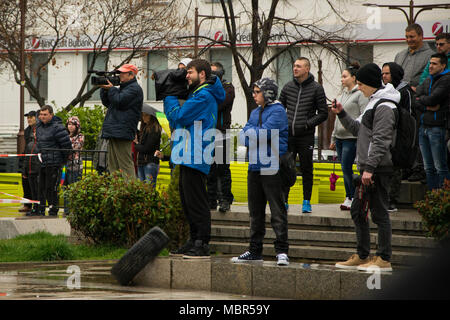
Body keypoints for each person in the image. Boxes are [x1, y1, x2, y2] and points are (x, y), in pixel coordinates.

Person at [332, 63, 400, 272]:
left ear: (370, 83)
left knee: (379, 213)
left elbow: (381, 140)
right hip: (368, 167)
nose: (358, 87)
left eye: (361, 84)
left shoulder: (385, 106)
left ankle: (383, 258)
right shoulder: (373, 102)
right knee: (358, 211)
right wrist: (342, 113)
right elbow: (358, 129)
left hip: (379, 168)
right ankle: (363, 255)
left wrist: (369, 168)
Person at [164, 59, 225, 259]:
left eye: (190, 72)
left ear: (202, 75)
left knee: (196, 200)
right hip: (187, 152)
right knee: (187, 200)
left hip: (196, 153)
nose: (186, 76)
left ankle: (202, 242)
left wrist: (171, 96)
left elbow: (179, 117)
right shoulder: (198, 94)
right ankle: (194, 239)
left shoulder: (204, 96)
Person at [232, 78, 289, 266]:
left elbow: (264, 135)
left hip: (272, 166)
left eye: (257, 92)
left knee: (276, 211)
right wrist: (254, 134)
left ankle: (281, 251)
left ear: (268, 93)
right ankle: (255, 250)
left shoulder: (279, 111)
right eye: (254, 91)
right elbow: (244, 137)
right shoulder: (255, 111)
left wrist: (253, 133)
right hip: (255, 166)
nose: (254, 95)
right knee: (255, 212)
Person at [279, 57, 328, 213]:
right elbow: (280, 109)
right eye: (294, 66)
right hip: (289, 136)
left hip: (305, 136)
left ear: (307, 69)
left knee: (307, 168)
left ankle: (306, 201)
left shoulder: (316, 88)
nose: (295, 69)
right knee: (286, 168)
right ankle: (284, 201)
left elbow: (323, 113)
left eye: (299, 66)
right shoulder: (287, 87)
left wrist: (307, 124)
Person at [330, 63, 368, 211]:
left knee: (348, 168)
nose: (342, 79)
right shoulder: (343, 94)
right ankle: (349, 196)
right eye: (341, 76)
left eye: (345, 76)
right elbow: (337, 117)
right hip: (339, 136)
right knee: (344, 168)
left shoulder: (360, 94)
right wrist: (333, 137)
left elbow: (363, 115)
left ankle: (354, 196)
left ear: (354, 77)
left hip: (351, 138)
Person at [381, 62, 415, 212]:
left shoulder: (404, 91)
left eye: (387, 73)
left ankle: (391, 199)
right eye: (382, 73)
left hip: (400, 136)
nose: (384, 76)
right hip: (385, 133)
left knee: (395, 169)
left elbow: (409, 116)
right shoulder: (383, 91)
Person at [99, 63, 143, 179]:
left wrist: (112, 89)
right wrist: (104, 90)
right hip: (115, 130)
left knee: (125, 164)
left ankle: (130, 191)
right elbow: (109, 103)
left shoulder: (135, 89)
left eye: (122, 73)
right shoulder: (122, 89)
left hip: (122, 131)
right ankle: (117, 191)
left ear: (131, 75)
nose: (119, 75)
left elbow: (119, 101)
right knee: (113, 165)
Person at [415, 53, 450, 190]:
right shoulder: (428, 80)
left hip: (437, 128)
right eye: (430, 63)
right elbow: (415, 99)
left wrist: (424, 101)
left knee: (440, 166)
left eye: (434, 63)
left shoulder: (446, 80)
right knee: (428, 167)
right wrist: (428, 106)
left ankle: (443, 199)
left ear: (443, 65)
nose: (431, 66)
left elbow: (433, 99)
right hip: (423, 127)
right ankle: (432, 198)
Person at [207, 62, 235, 212]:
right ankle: (211, 200)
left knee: (223, 169)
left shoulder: (228, 88)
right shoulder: (206, 88)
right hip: (208, 132)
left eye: (213, 73)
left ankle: (225, 200)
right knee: (210, 169)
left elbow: (219, 105)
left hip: (222, 133)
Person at [35, 105, 72, 216]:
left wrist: (61, 160)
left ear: (51, 114)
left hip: (54, 163)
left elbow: (66, 146)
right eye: (41, 114)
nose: (42, 117)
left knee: (51, 189)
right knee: (41, 188)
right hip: (42, 162)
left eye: (45, 114)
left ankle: (53, 210)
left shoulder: (58, 127)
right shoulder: (38, 127)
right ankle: (40, 210)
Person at [394, 23, 435, 91]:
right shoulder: (399, 55)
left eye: (412, 37)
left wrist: (418, 89)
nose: (409, 40)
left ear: (421, 36)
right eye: (407, 37)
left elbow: (430, 78)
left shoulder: (431, 56)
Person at [63, 116, 84, 216]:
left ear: (77, 126)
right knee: (65, 188)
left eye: (72, 124)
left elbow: (74, 148)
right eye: (69, 124)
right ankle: (66, 210)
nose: (70, 126)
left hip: (75, 166)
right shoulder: (65, 135)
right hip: (65, 166)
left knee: (73, 188)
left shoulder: (80, 136)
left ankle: (73, 210)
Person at [134, 111, 162, 185]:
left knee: (149, 191)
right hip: (141, 162)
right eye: (142, 115)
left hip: (149, 163)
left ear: (152, 117)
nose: (143, 117)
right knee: (142, 190)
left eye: (146, 115)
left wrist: (136, 144)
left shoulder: (154, 129)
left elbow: (147, 148)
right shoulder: (145, 129)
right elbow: (142, 142)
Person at [21, 111, 40, 215]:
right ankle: (27, 205)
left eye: (31, 117)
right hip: (28, 159)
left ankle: (36, 206)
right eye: (28, 117)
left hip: (36, 161)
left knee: (36, 186)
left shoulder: (39, 129)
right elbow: (27, 147)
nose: (29, 119)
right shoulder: (27, 130)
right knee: (25, 182)